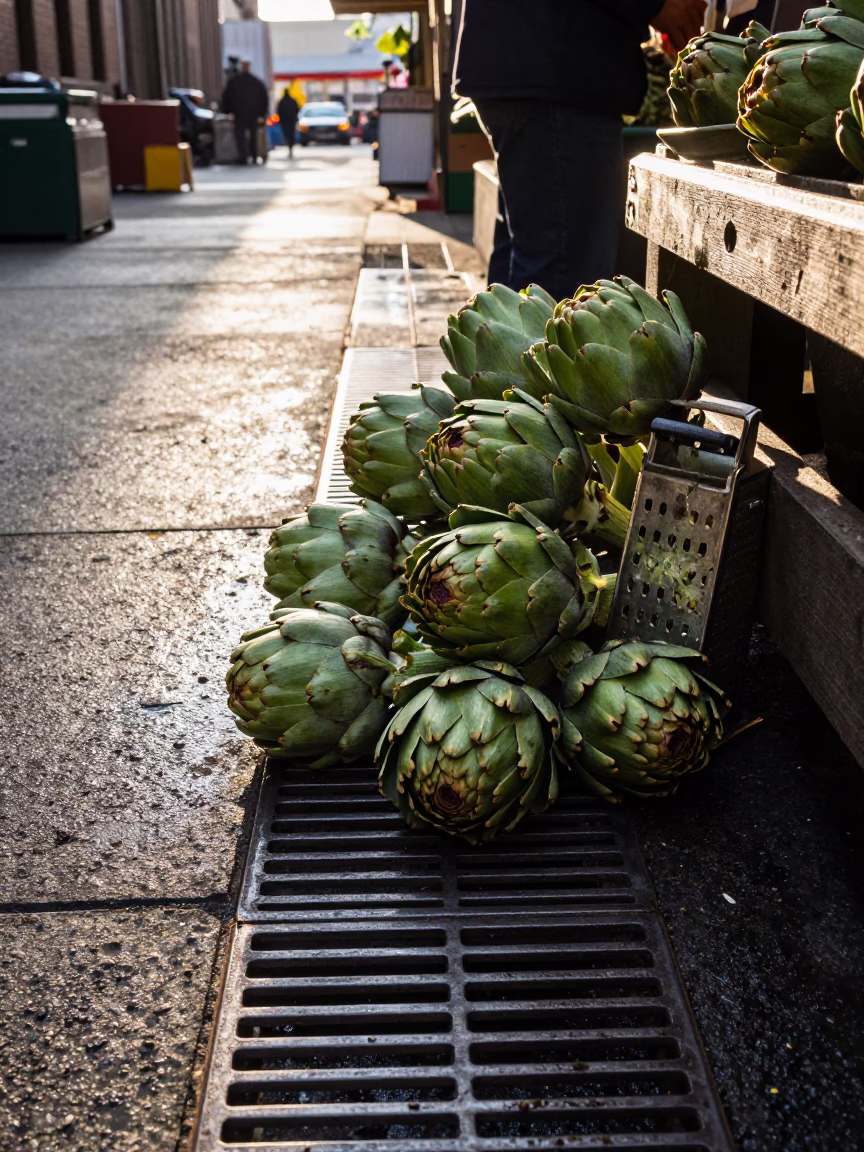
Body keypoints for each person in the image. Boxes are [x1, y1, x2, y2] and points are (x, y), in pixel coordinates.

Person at [453, 0, 706, 301]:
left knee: (532, 264)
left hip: (527, 64)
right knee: (565, 276)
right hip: (557, 72)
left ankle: (514, 348)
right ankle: (540, 348)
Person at [220, 59, 269, 165]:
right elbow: (227, 97)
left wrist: (262, 113)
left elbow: (263, 99)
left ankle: (252, 155)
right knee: (242, 136)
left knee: (250, 136)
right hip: (242, 114)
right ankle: (246, 156)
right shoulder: (239, 82)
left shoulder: (253, 82)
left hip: (248, 114)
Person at [277, 86, 300, 157]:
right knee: (291, 134)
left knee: (287, 135)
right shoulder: (293, 101)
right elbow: (297, 110)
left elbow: (279, 111)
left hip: (285, 121)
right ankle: (290, 146)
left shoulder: (281, 101)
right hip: (291, 121)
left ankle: (289, 146)